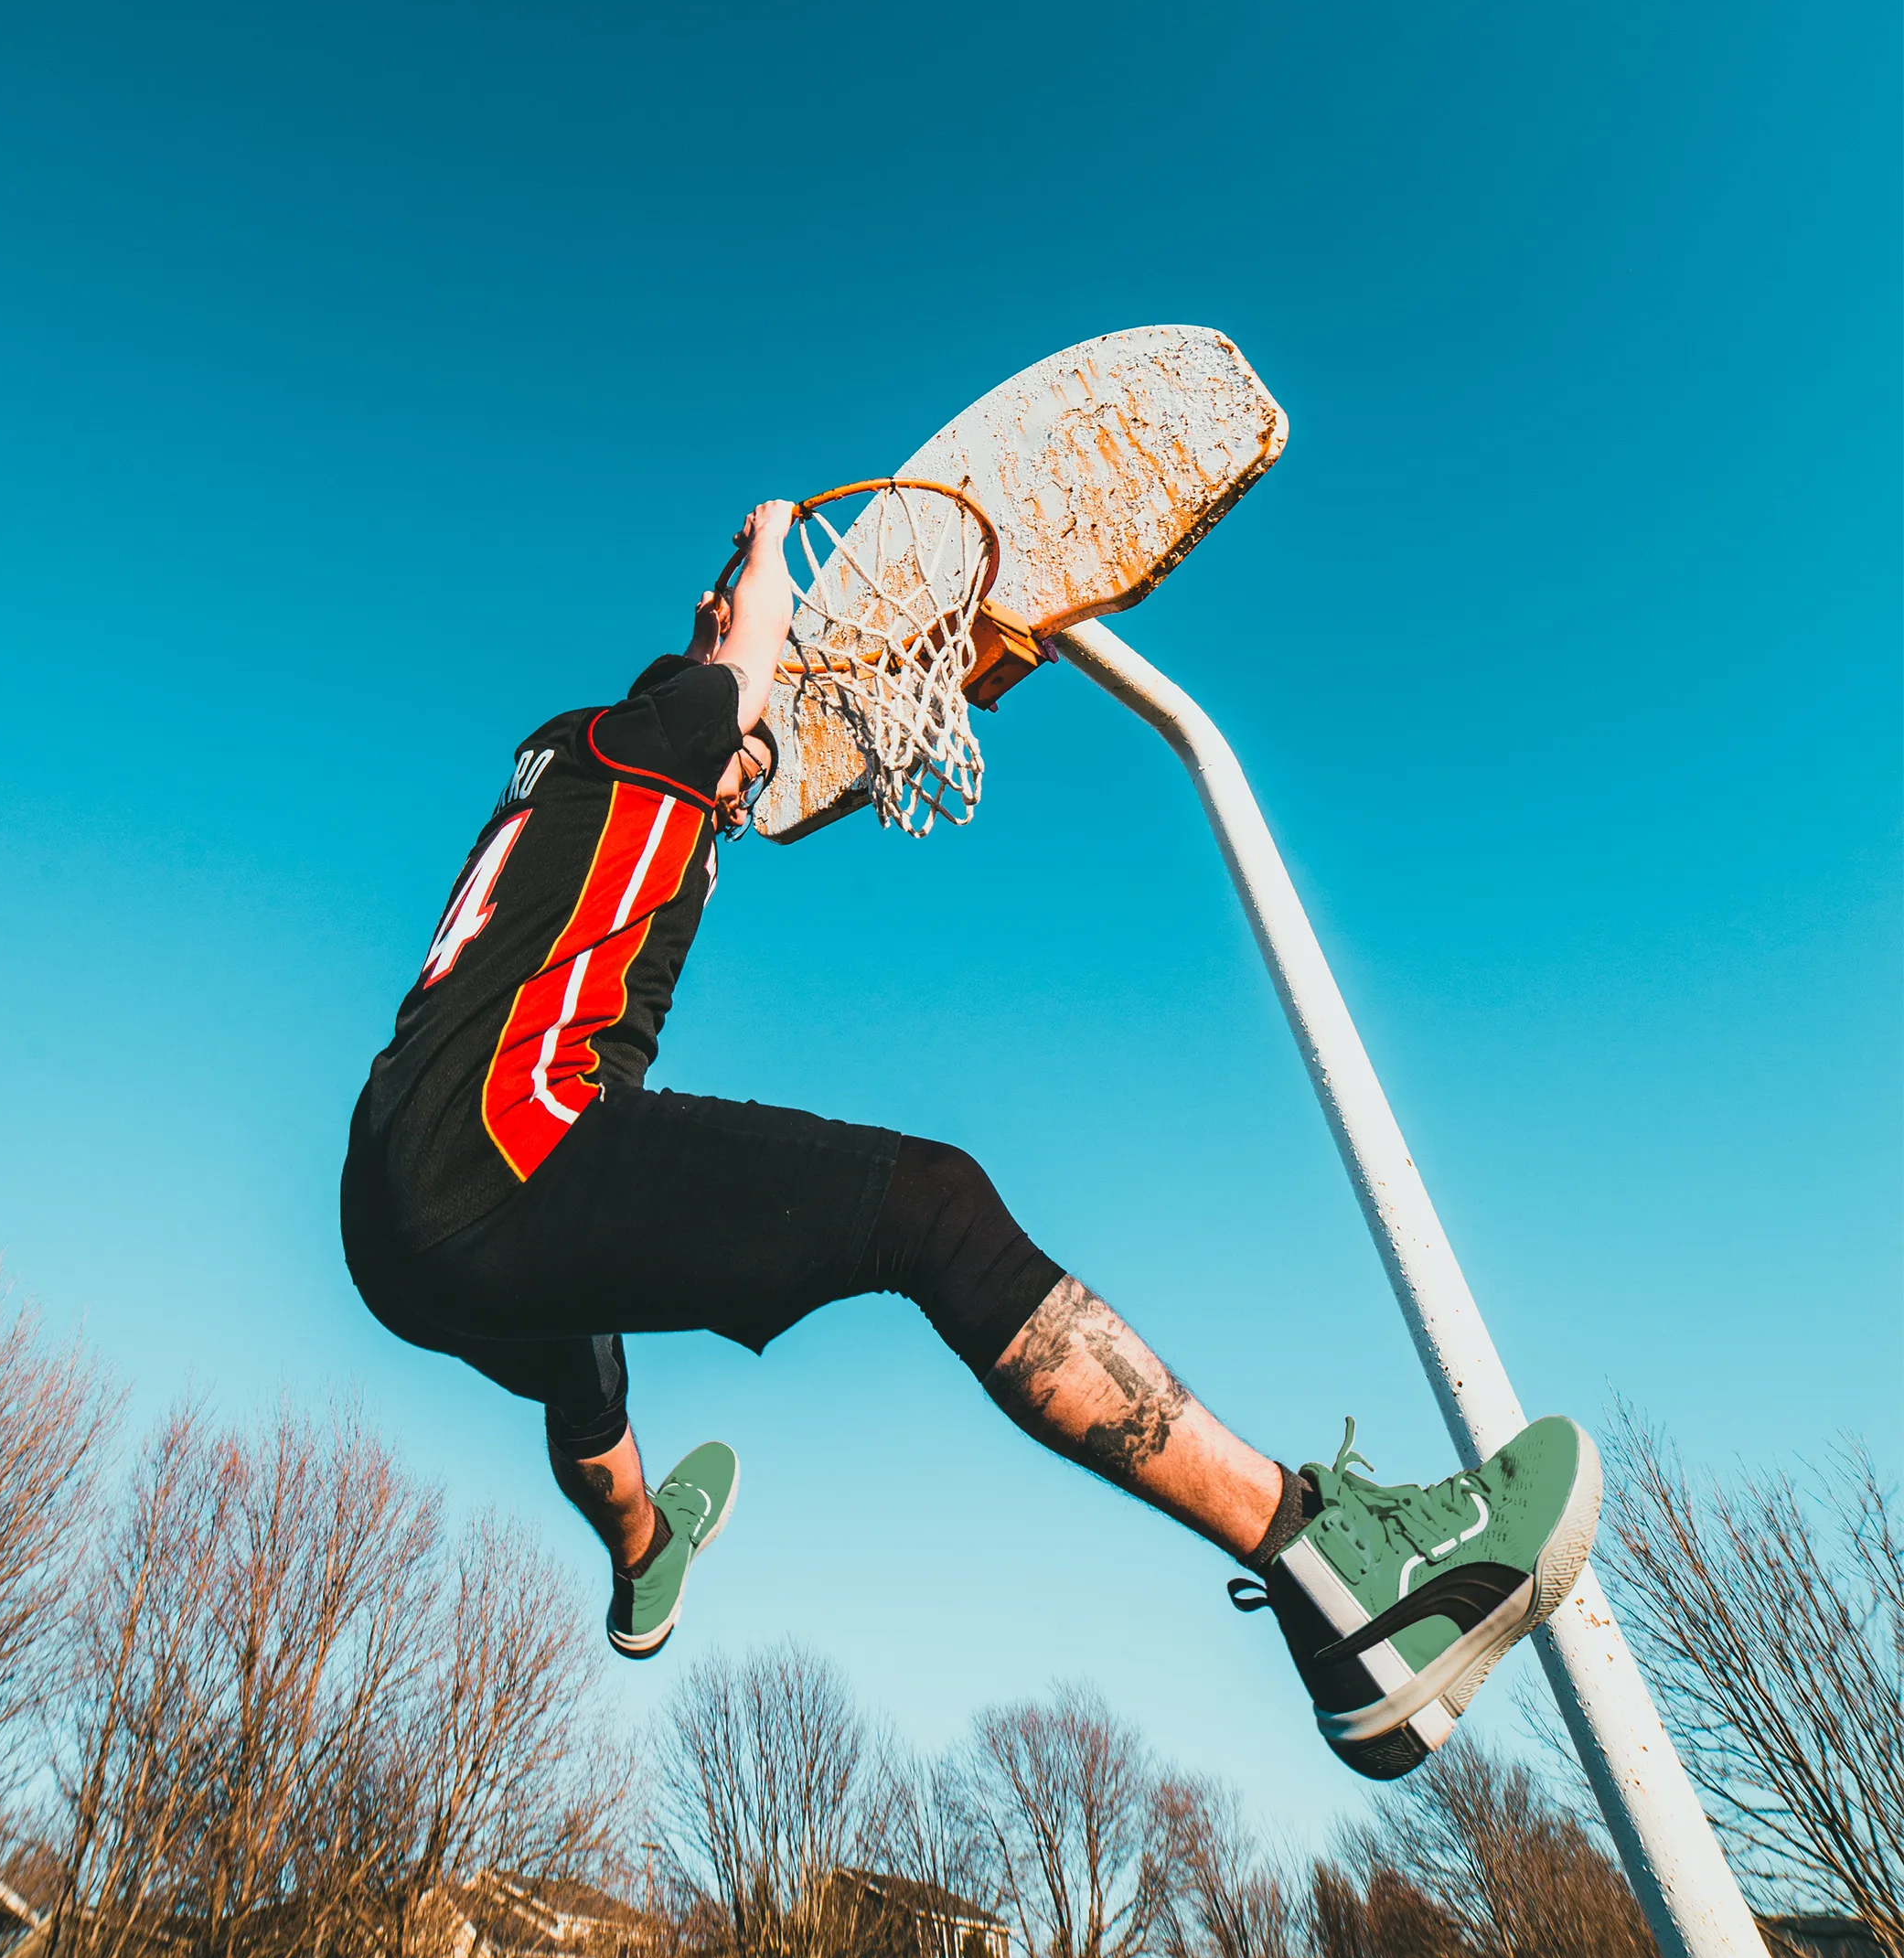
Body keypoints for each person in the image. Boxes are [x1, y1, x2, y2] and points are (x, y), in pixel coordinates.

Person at [341, 501, 1599, 1781]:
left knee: (582, 1394)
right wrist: (767, 553)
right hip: (515, 1143)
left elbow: (714, 778)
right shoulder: (651, 726)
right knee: (932, 1208)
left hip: (392, 1217)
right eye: (751, 745)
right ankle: (1331, 1567)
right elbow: (729, 670)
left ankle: (642, 1552)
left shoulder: (582, 815)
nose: (755, 763)